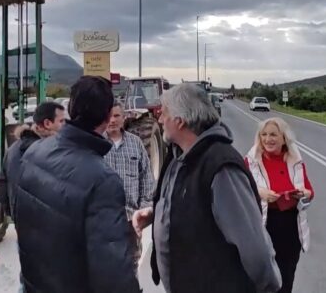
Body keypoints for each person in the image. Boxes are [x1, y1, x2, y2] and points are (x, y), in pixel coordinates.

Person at [133, 83, 281, 293]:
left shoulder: (221, 167)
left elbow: (255, 249)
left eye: (164, 113)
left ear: (180, 121)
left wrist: (267, 287)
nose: (160, 119)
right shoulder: (178, 156)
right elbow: (192, 204)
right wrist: (157, 213)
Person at [12, 76, 140, 292]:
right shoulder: (103, 181)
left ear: (71, 109)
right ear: (108, 116)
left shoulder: (34, 151)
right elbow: (111, 270)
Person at [245, 117, 314, 293]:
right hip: (262, 224)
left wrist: (304, 194)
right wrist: (260, 193)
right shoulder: (250, 161)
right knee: (260, 276)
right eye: (264, 135)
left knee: (286, 275)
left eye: (273, 135)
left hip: (290, 225)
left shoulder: (295, 160)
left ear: (284, 138)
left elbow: (309, 191)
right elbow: (240, 190)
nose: (268, 139)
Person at [103, 102, 155, 268]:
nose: (112, 120)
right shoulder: (97, 144)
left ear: (124, 118)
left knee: (131, 266)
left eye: (116, 116)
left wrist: (143, 211)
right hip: (104, 220)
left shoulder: (136, 143)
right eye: (108, 116)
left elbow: (146, 180)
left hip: (130, 220)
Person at [0, 100, 66, 218]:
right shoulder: (50, 151)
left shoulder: (12, 149)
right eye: (61, 121)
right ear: (47, 123)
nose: (65, 125)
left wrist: (14, 214)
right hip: (47, 222)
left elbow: (2, 190)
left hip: (20, 219)